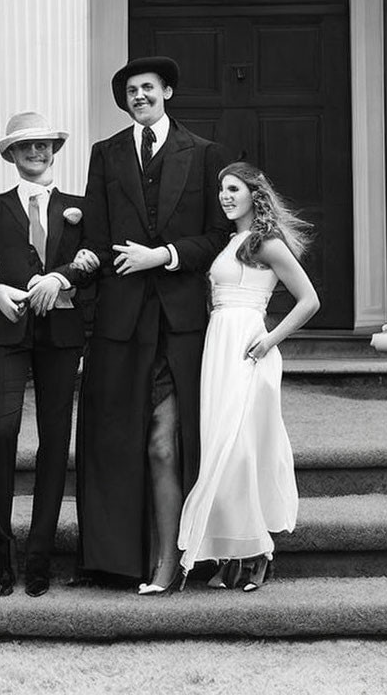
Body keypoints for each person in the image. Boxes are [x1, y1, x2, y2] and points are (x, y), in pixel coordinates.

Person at [75, 56, 231, 593]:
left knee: (170, 444)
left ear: (167, 91)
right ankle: (115, 560)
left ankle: (182, 558)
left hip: (181, 322)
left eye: (147, 87)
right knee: (116, 441)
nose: (138, 96)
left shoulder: (206, 155)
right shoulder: (106, 154)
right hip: (119, 321)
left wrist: (162, 254)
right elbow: (94, 236)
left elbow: (217, 236)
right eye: (130, 91)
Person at [177, 162, 319, 591]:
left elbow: (309, 300)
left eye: (233, 188)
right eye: (222, 189)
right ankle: (231, 555)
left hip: (248, 348)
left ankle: (258, 554)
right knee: (220, 449)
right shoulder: (232, 240)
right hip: (218, 346)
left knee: (240, 451)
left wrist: (271, 339)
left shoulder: (266, 243)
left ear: (253, 194)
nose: (225, 196)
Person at [0, 112, 97, 598]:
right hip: (9, 331)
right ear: (11, 154)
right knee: (5, 429)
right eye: (26, 146)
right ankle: (3, 556)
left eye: (44, 145)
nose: (36, 153)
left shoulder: (80, 207)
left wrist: (63, 275)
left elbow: (95, 261)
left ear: (54, 150)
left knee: (55, 440)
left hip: (62, 333)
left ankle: (39, 558)